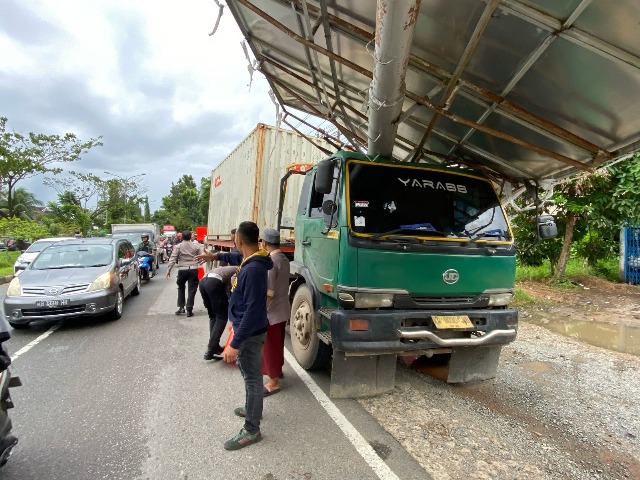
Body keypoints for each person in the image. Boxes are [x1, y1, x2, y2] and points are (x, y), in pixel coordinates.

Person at [195, 221, 272, 451]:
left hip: (248, 333)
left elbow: (253, 309)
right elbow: (233, 258)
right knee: (250, 375)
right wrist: (214, 256)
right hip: (245, 329)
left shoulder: (254, 268)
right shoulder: (250, 259)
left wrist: (235, 343)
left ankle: (252, 428)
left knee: (252, 378)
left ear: (238, 240)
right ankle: (252, 409)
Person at [261, 228, 290, 396]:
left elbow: (269, 292)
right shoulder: (284, 258)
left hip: (272, 313)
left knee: (270, 346)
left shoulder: (271, 261)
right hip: (282, 309)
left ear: (264, 242)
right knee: (278, 344)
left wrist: (261, 311)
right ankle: (277, 371)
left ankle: (273, 382)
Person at [199, 266, 236, 360]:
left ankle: (214, 346)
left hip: (203, 282)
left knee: (213, 316)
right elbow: (233, 285)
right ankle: (211, 349)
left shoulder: (227, 268)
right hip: (214, 282)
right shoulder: (240, 268)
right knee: (222, 317)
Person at [165, 230, 203, 317]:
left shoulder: (178, 246)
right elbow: (201, 258)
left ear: (181, 237)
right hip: (193, 269)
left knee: (181, 288)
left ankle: (181, 307)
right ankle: (189, 309)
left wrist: (168, 269)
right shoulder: (196, 246)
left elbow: (173, 258)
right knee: (192, 290)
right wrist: (199, 264)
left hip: (182, 270)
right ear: (191, 237)